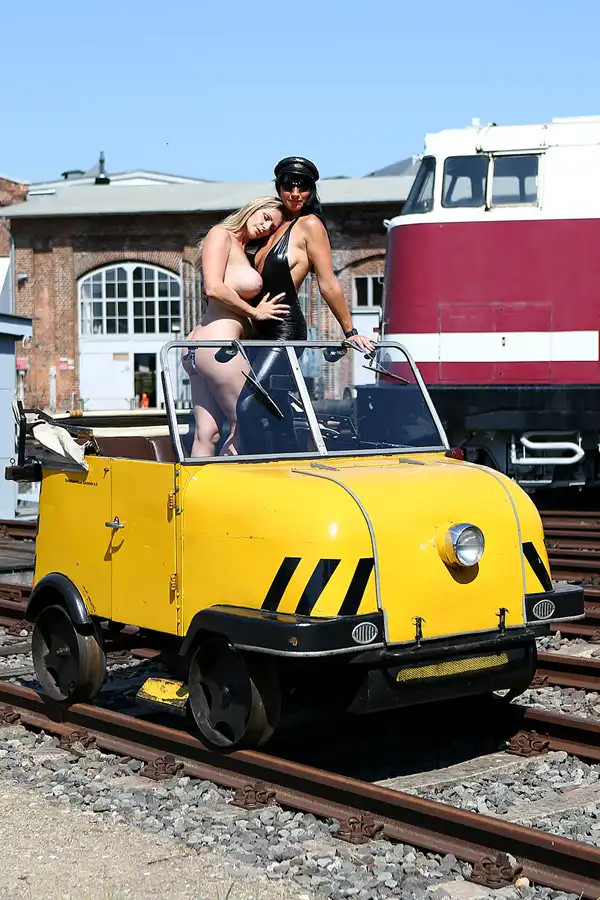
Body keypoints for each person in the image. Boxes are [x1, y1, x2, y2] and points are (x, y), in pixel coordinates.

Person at [235, 156, 375, 454]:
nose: (295, 193)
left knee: (249, 403)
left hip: (285, 329)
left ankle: (257, 467)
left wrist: (350, 332)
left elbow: (328, 283)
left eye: (304, 187)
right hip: (256, 329)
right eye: (289, 185)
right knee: (276, 405)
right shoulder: (270, 226)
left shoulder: (310, 225)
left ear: (312, 191)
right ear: (279, 187)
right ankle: (285, 465)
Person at [182, 197, 288, 457]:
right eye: (265, 218)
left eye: (272, 228)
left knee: (208, 434)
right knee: (247, 425)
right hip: (218, 347)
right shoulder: (221, 234)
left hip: (203, 347)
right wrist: (255, 312)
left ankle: (197, 494)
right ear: (252, 208)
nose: (266, 227)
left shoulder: (242, 250)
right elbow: (213, 288)